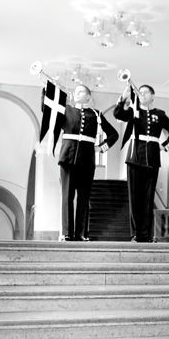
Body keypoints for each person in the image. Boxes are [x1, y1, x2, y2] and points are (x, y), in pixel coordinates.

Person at [47, 84, 119, 241]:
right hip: (67, 158)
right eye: (75, 91)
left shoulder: (96, 114)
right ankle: (67, 233)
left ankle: (81, 233)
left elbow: (113, 134)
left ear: (88, 97)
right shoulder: (66, 110)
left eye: (80, 91)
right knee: (67, 197)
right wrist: (48, 91)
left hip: (86, 161)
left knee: (83, 198)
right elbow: (47, 110)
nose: (76, 93)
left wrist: (100, 148)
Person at [113, 84, 169, 242]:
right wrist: (124, 98)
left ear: (152, 96)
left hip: (152, 159)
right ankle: (136, 234)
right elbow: (118, 113)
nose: (142, 95)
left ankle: (147, 234)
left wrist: (165, 147)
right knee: (134, 199)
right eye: (140, 92)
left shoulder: (160, 114)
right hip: (134, 158)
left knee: (148, 198)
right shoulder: (133, 111)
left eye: (145, 93)